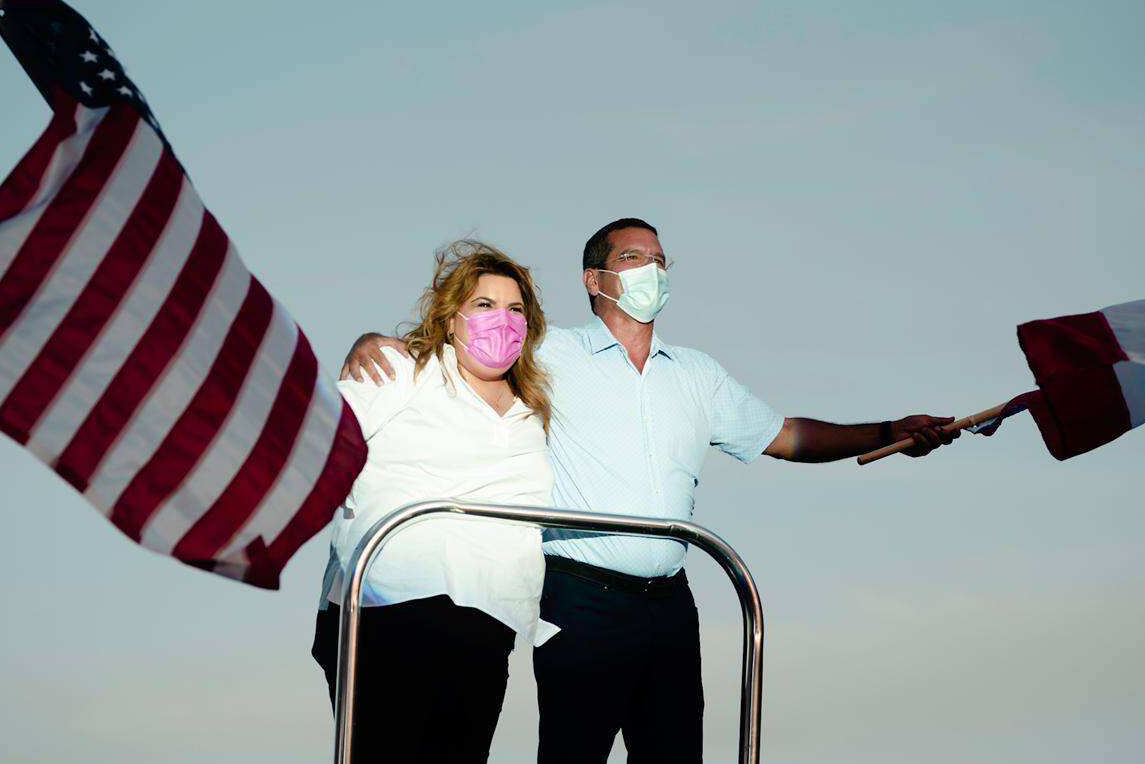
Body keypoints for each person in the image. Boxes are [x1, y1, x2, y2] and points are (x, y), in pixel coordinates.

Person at [341, 218, 960, 764]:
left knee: (673, 751)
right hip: (578, 595)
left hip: (670, 605)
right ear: (594, 280)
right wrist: (372, 341)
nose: (652, 270)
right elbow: (467, 338)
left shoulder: (697, 374)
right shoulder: (545, 352)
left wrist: (886, 430)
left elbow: (787, 435)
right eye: (634, 259)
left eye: (660, 260)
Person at [313, 239, 557, 763]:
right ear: (451, 319)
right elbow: (321, 435)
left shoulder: (532, 414)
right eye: (485, 305)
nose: (503, 320)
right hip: (390, 613)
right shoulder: (404, 371)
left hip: (488, 622)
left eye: (515, 309)